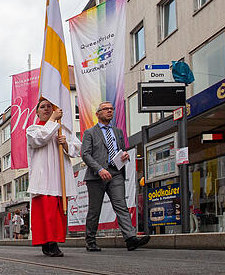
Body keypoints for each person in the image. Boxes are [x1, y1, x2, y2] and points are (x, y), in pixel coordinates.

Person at [81, 101, 150, 252]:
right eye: (105, 109)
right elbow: (85, 154)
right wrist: (99, 169)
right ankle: (90, 240)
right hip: (96, 176)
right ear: (98, 114)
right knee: (94, 210)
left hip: (116, 173)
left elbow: (119, 150)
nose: (109, 111)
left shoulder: (118, 132)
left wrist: (124, 155)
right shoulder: (90, 133)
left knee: (121, 205)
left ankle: (131, 239)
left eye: (111, 109)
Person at [26, 98, 81, 257]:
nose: (46, 109)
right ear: (37, 112)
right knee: (46, 213)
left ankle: (54, 241)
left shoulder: (63, 129)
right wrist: (53, 120)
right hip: (43, 176)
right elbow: (40, 139)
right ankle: (47, 241)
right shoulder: (33, 129)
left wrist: (66, 144)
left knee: (58, 213)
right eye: (42, 107)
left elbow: (78, 149)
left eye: (49, 106)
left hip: (60, 176)